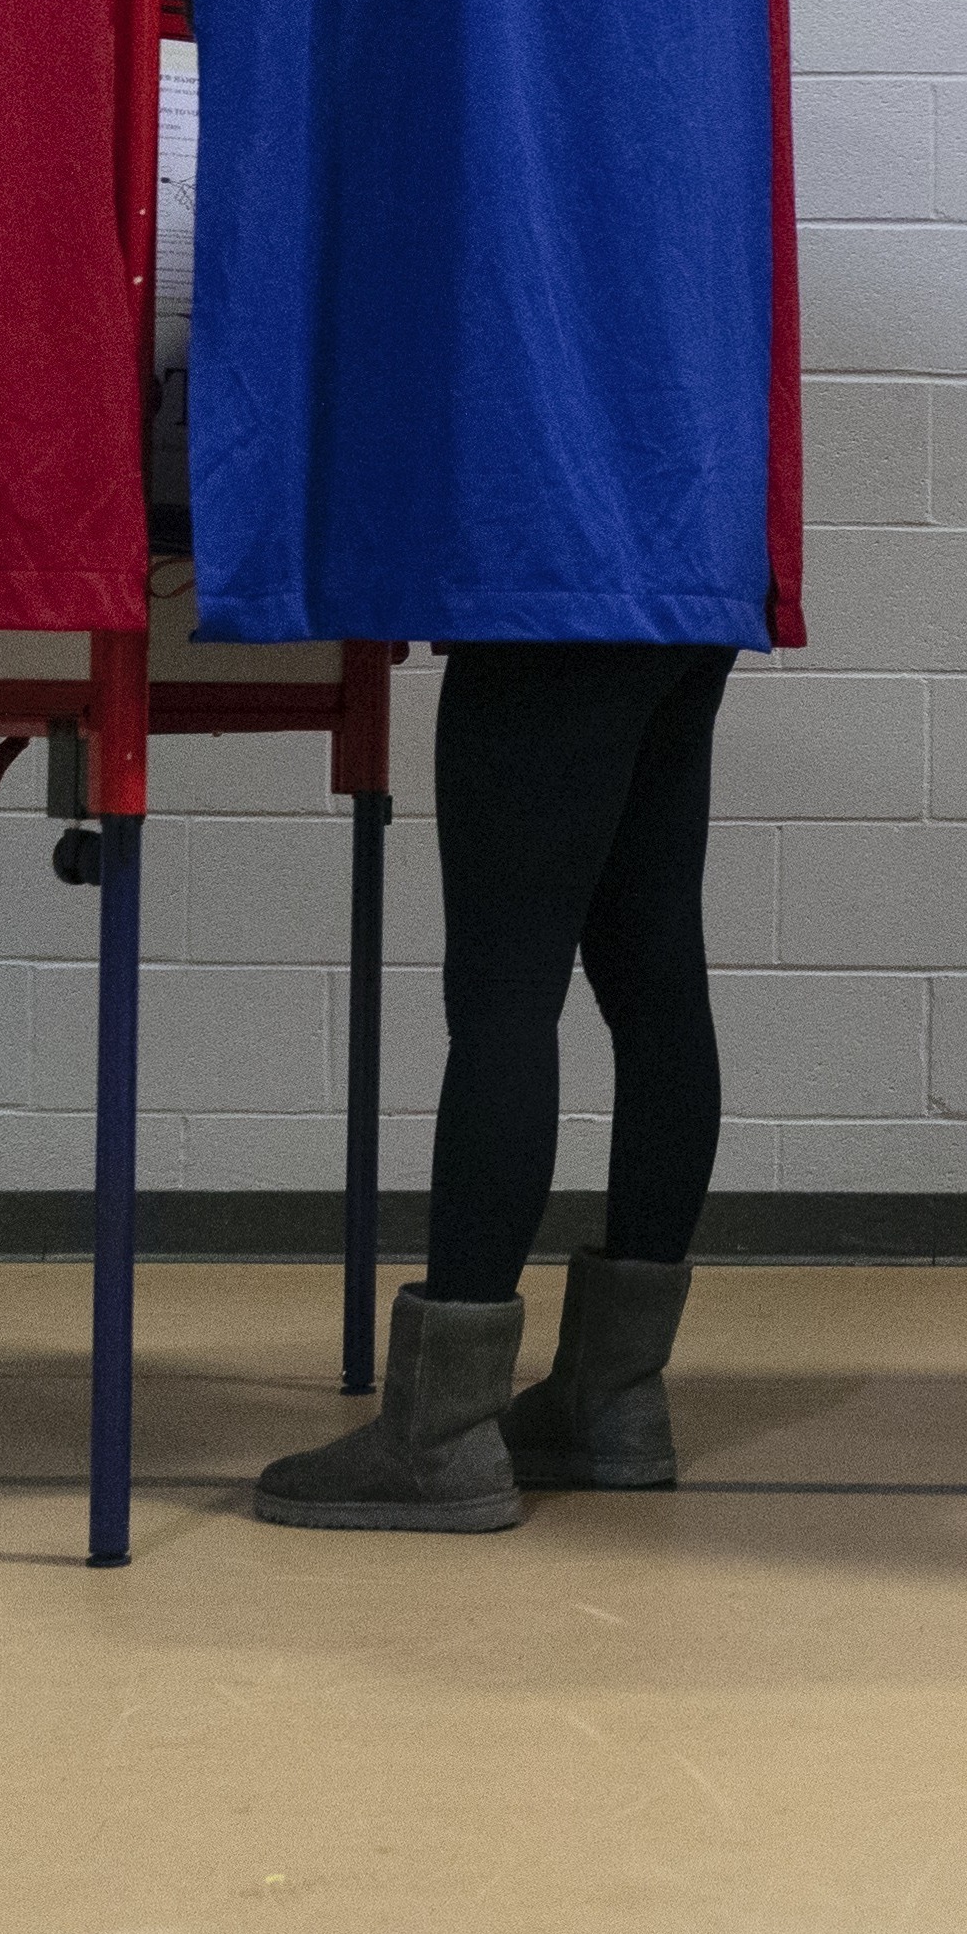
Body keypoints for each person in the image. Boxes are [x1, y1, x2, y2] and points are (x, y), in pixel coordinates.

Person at [255, 642, 734, 1533]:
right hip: (695, 567)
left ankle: (440, 1435)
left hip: (547, 574)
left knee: (505, 991)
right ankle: (614, 1401)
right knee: (656, 974)